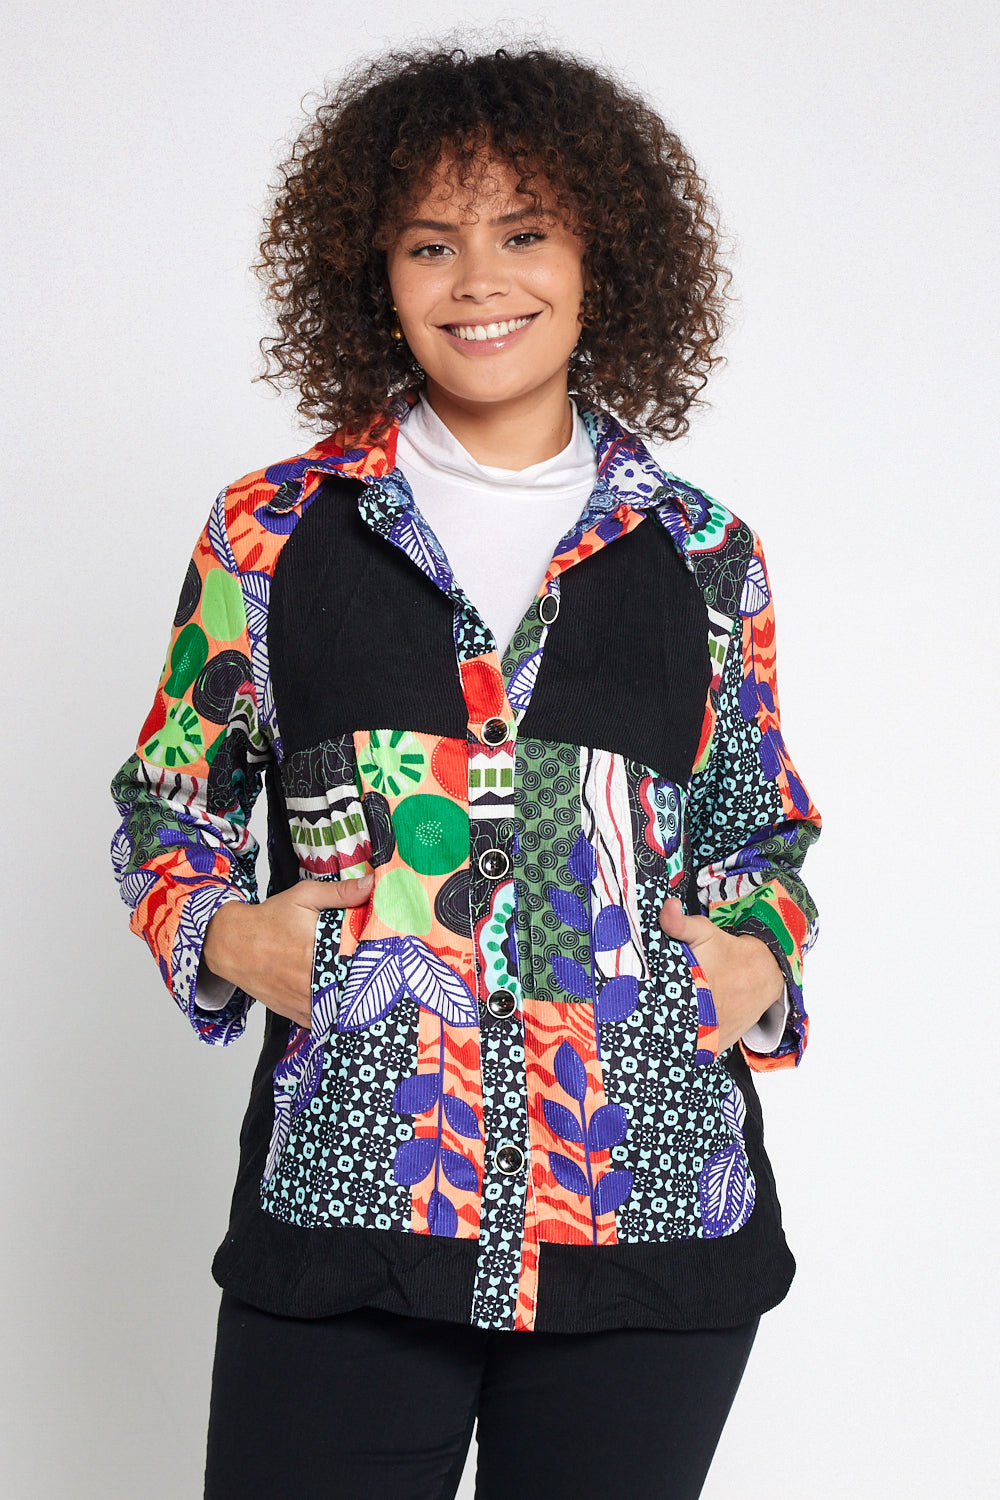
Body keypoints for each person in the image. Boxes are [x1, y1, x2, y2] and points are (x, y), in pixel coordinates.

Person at [110, 44, 820, 1500]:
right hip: (353, 1199)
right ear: (374, 272)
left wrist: (759, 954)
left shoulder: (702, 554)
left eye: (525, 233)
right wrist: (225, 935)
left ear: (602, 258)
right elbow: (166, 805)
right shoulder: (273, 532)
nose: (478, 280)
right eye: (431, 243)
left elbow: (763, 833)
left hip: (647, 1213)